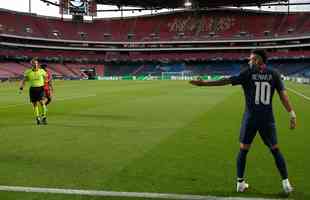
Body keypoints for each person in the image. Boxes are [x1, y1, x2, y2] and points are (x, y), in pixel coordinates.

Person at [190, 50, 296, 194]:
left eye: (251, 59)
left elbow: (226, 81)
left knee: (243, 150)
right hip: (267, 120)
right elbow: (284, 96)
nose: (249, 61)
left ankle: (240, 183)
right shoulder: (274, 74)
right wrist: (292, 114)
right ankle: (286, 184)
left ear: (258, 60)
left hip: (250, 119)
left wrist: (204, 84)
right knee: (275, 150)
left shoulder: (247, 74)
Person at [19, 57, 48, 125]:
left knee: (42, 103)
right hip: (32, 89)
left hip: (40, 88)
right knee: (34, 104)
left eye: (36, 63)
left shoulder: (42, 71)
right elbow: (24, 80)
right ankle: (37, 118)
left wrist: (45, 83)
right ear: (31, 64)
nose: (35, 64)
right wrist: (21, 88)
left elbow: (46, 77)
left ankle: (44, 117)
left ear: (38, 64)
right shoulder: (28, 72)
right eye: (33, 63)